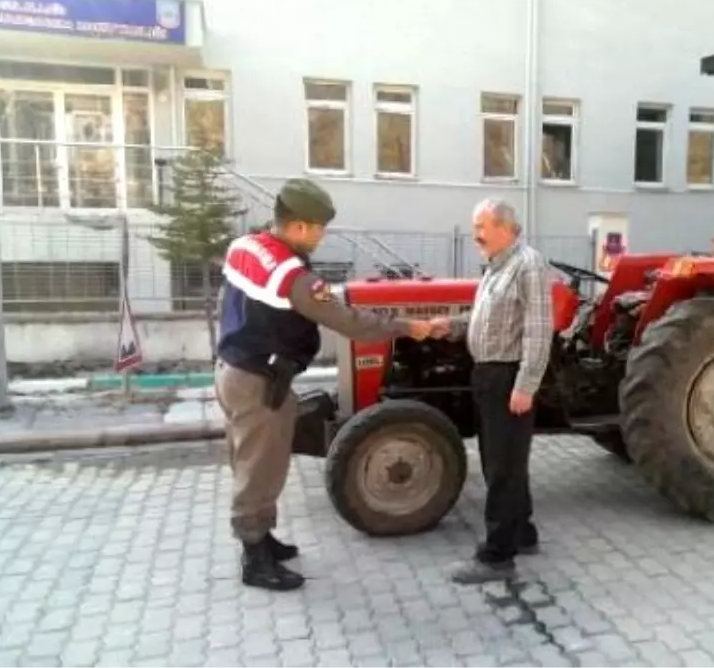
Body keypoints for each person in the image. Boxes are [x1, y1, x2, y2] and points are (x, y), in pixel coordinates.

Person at [215, 178, 431, 591]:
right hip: (259, 381)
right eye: (318, 228)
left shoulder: (245, 245)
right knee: (261, 467)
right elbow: (347, 321)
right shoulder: (291, 275)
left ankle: (262, 538)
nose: (321, 236)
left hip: (231, 368)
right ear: (298, 226)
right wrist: (407, 327)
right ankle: (254, 559)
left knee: (248, 460)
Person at [429, 197, 553, 585]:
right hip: (488, 375)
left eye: (481, 227)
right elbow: (486, 321)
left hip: (508, 377)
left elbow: (538, 329)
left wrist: (526, 384)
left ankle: (497, 556)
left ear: (504, 227)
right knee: (504, 462)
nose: (475, 235)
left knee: (502, 467)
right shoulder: (496, 268)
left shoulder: (527, 265)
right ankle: (522, 532)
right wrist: (449, 325)